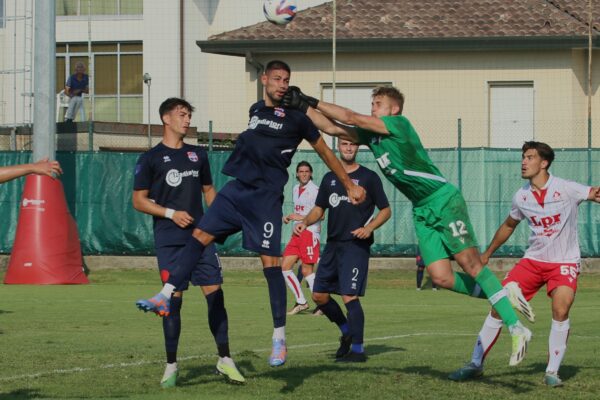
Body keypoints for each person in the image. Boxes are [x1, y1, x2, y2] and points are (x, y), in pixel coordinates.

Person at [136, 61, 366, 368]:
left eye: (287, 79)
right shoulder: (256, 109)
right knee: (200, 235)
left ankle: (279, 339)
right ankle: (166, 293)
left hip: (265, 198)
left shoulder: (298, 116)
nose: (282, 84)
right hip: (236, 190)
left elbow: (328, 144)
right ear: (264, 79)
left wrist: (349, 183)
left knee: (272, 266)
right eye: (277, 79)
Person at [283, 85, 533, 366]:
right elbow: (333, 128)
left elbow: (350, 116)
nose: (373, 108)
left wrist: (311, 99)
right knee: (440, 277)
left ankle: (516, 328)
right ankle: (502, 293)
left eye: (378, 103)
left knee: (471, 265)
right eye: (373, 103)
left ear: (394, 109)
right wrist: (302, 108)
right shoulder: (372, 136)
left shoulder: (398, 125)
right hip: (422, 208)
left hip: (442, 199)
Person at [448, 141, 600, 386]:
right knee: (498, 306)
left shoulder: (566, 188)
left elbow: (594, 193)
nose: (524, 162)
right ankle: (475, 364)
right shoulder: (521, 196)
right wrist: (487, 254)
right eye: (523, 157)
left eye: (529, 157)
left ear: (544, 163)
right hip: (532, 261)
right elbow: (509, 225)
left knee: (561, 309)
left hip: (563, 262)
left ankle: (552, 372)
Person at [132, 98, 244, 386]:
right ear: (166, 119)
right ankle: (171, 365)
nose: (187, 119)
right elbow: (139, 201)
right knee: (173, 301)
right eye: (182, 114)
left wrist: (220, 218)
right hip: (170, 241)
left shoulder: (198, 155)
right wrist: (171, 213)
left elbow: (208, 190)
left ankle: (225, 359)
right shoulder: (150, 158)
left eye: (189, 114)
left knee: (215, 294)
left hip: (201, 237)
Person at [295, 138, 391, 362]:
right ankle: (347, 331)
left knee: (349, 295)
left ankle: (358, 351)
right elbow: (319, 209)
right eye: (345, 144)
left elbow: (386, 210)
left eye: (353, 144)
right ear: (338, 146)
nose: (349, 148)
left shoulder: (369, 177)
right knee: (318, 294)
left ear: (358, 147)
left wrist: (369, 228)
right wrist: (305, 222)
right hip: (333, 245)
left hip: (355, 246)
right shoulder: (330, 178)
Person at [282, 161, 321, 315]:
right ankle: (301, 302)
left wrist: (296, 216)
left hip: (310, 232)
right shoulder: (295, 188)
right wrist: (290, 218)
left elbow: (321, 216)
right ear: (297, 174)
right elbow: (299, 212)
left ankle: (323, 303)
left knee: (307, 270)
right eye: (301, 171)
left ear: (310, 173)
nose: (304, 174)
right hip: (297, 233)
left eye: (306, 171)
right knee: (285, 267)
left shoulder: (315, 190)